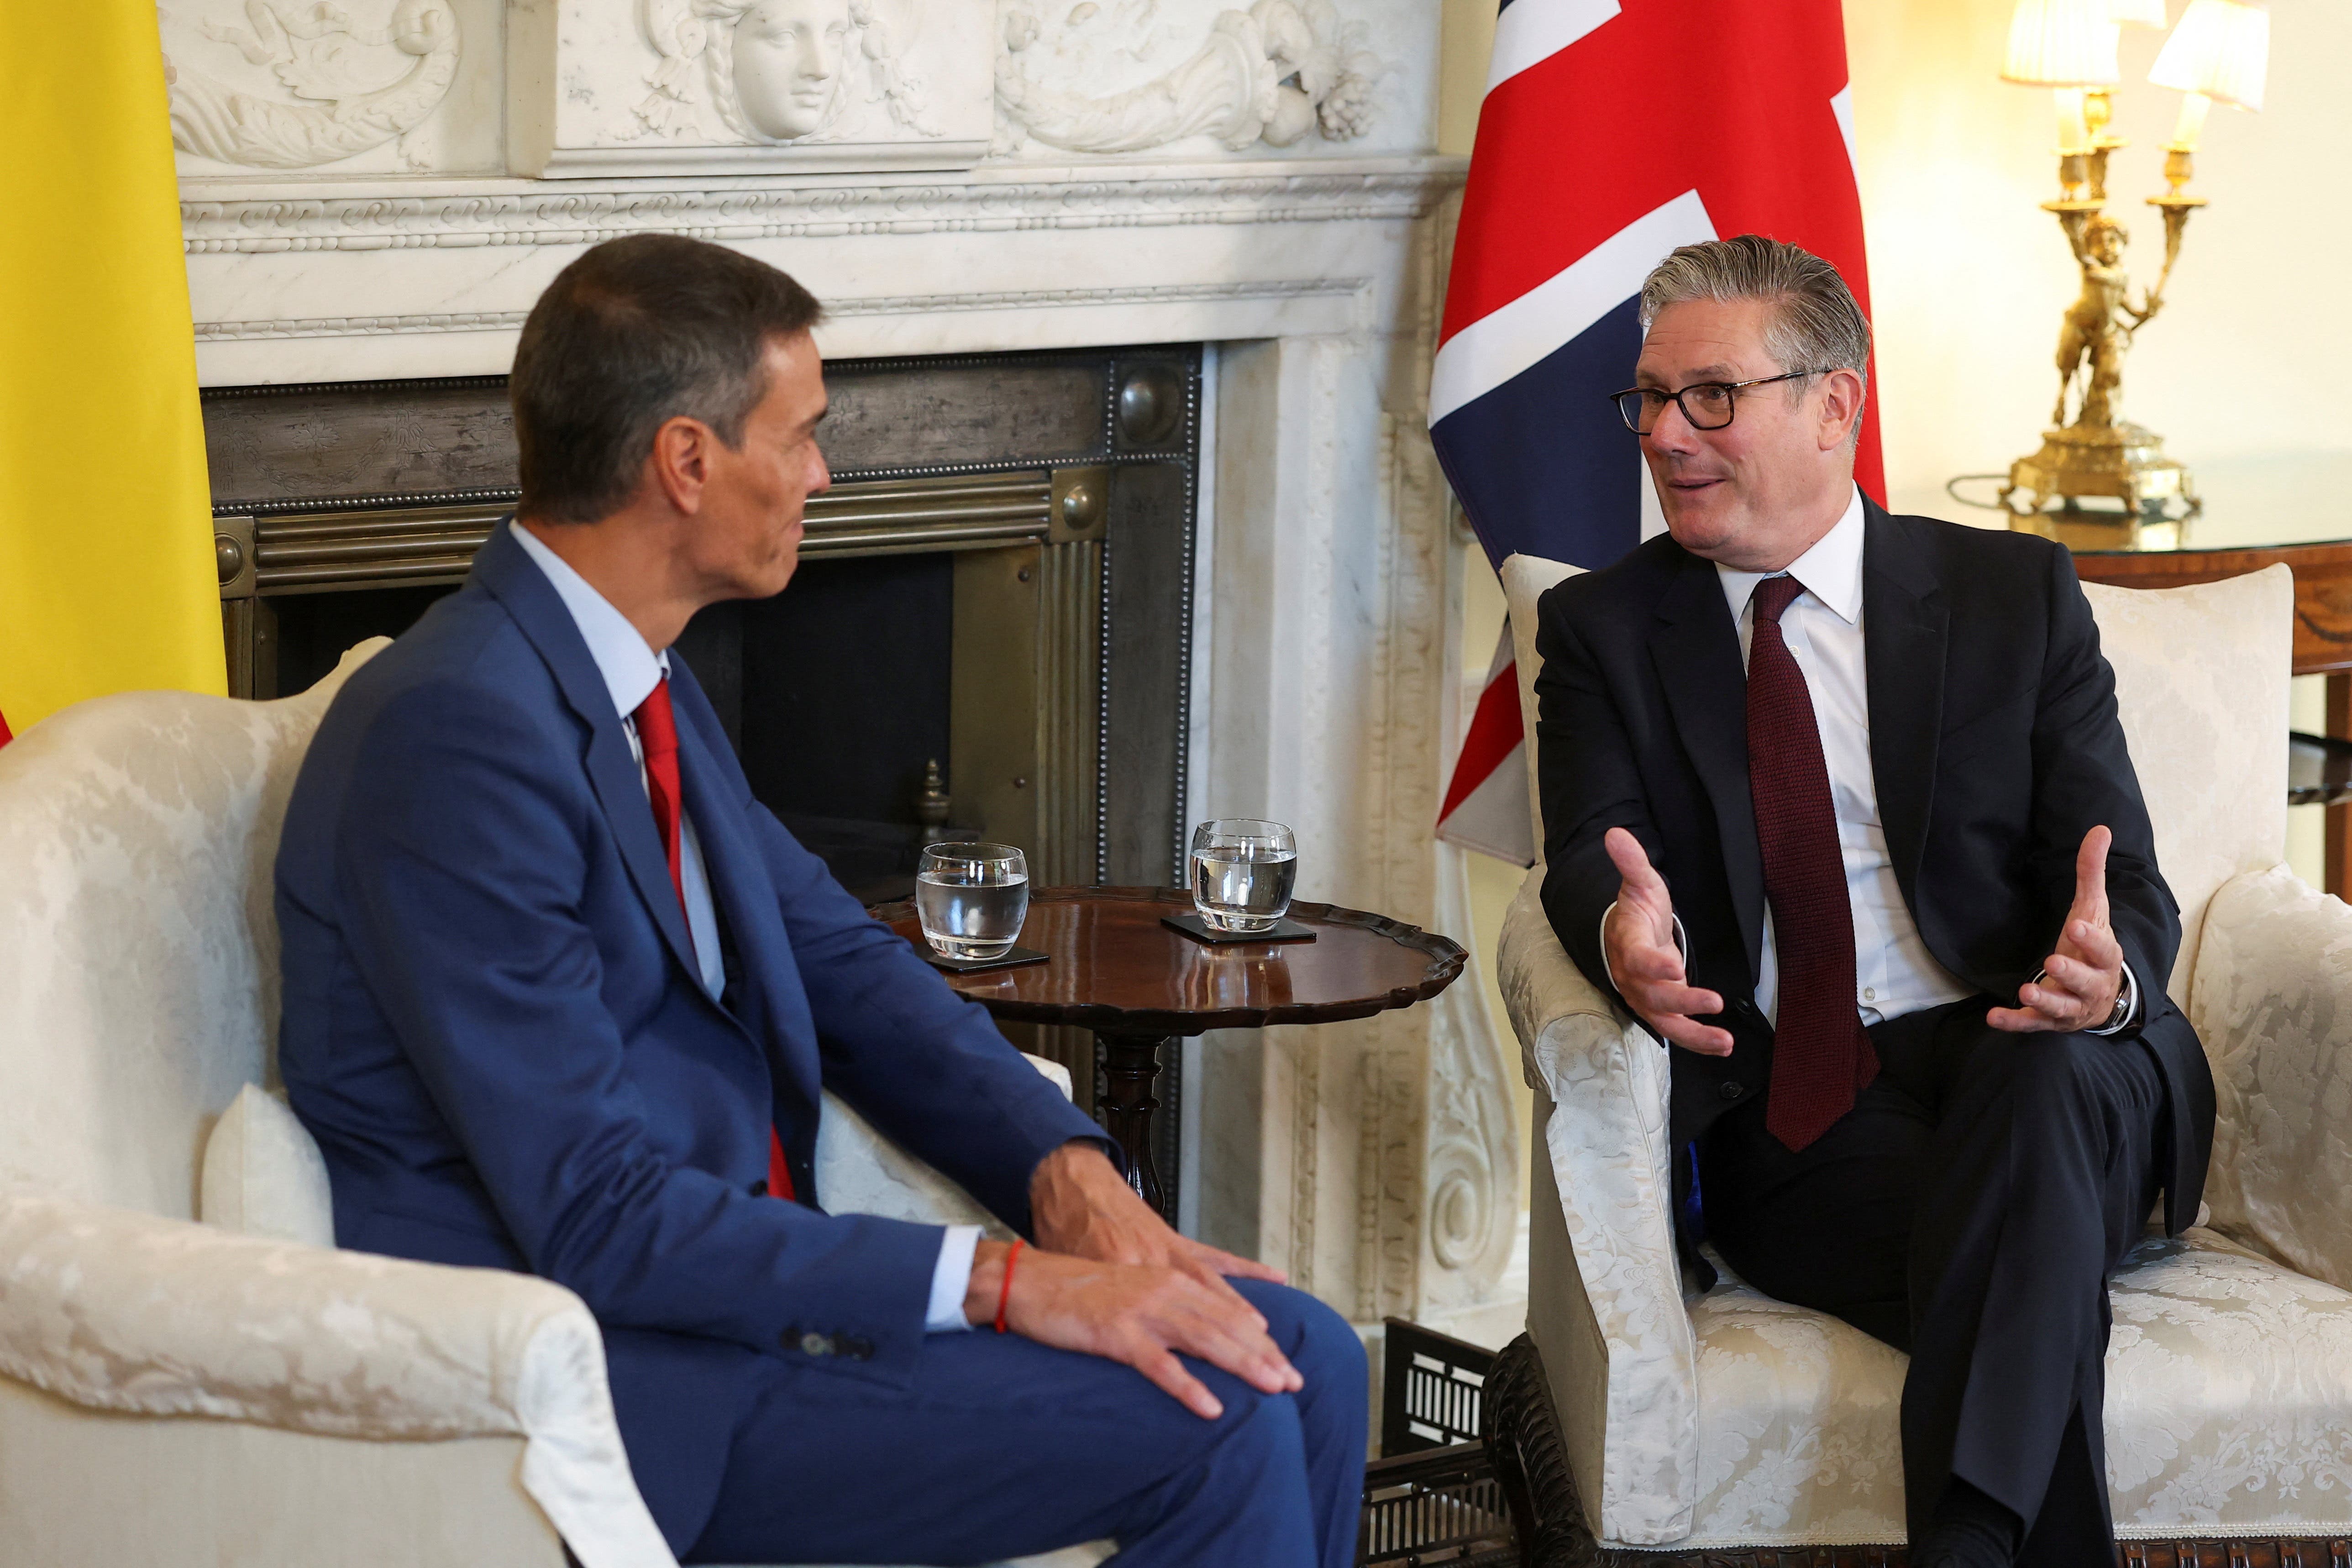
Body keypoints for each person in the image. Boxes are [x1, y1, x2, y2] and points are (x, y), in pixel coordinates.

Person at [274, 232, 1366, 1568]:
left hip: (735, 1313)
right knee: (1223, 1410)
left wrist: (1068, 1180)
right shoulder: (453, 732)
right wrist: (1011, 1283)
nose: (822, 474)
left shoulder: (640, 682)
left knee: (1305, 1351)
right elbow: (600, 1214)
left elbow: (845, 966)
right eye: (798, 437)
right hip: (622, 1380)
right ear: (686, 461)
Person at [1532, 234, 2213, 1568]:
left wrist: (2109, 976)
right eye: (1651, 399)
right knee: (2027, 1258)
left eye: (1711, 395)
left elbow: (2122, 879)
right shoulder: (1603, 630)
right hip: (1805, 1111)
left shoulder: (2010, 594)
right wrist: (1621, 935)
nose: (1667, 433)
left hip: (2049, 1048)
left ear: (1835, 402)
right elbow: (1582, 855)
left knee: (2044, 1083)